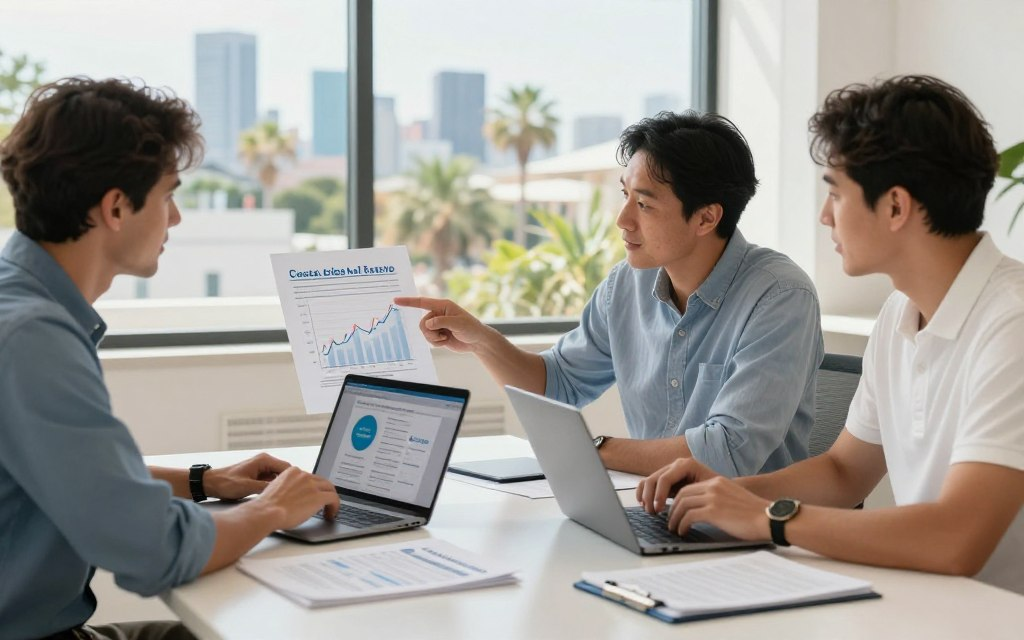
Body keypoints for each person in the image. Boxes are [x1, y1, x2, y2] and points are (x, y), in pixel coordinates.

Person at [637, 75, 1024, 594]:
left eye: (836, 194)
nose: (824, 216)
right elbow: (844, 473)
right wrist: (725, 492)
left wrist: (769, 518)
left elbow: (957, 538)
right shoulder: (899, 313)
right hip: (930, 607)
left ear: (895, 207)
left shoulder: (1013, 322)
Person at [0, 78, 341, 640]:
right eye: (167, 195)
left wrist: (206, 482)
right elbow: (152, 550)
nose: (175, 219)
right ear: (115, 207)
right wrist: (273, 510)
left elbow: (76, 478)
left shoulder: (23, 305)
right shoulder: (33, 339)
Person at [397, 111, 824, 477]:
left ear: (707, 217)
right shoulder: (626, 285)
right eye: (625, 196)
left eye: (644, 204)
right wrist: (482, 341)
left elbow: (728, 451)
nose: (621, 220)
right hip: (650, 509)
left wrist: (593, 450)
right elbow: (557, 384)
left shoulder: (780, 296)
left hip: (750, 533)